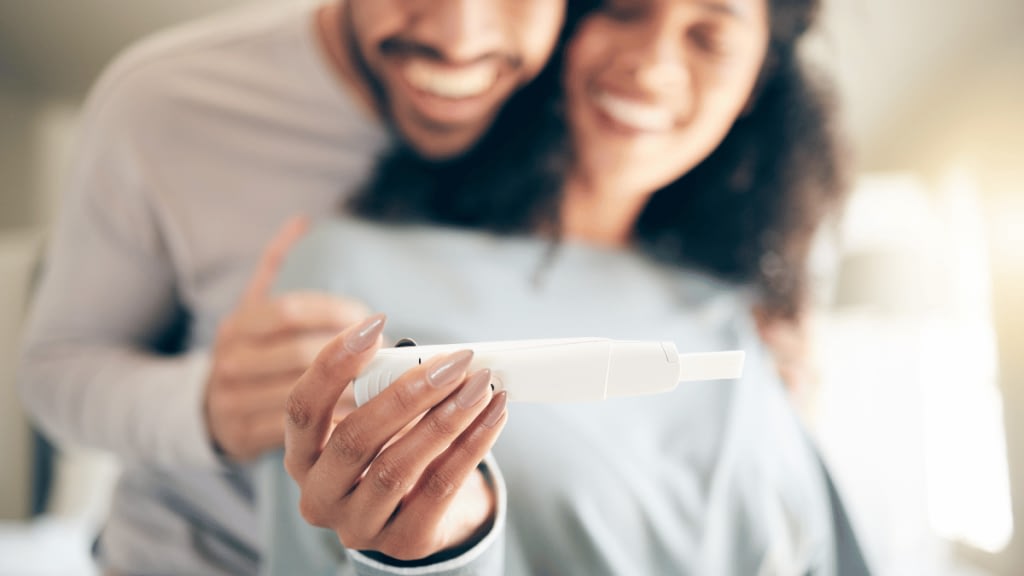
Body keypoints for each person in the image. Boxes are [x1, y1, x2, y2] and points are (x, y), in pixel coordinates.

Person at [262, 0, 858, 574]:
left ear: (757, 80)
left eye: (710, 37)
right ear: (561, 26)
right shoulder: (346, 272)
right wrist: (444, 550)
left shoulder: (742, 315)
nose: (651, 66)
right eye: (623, 9)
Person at [16, 0, 575, 573]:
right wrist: (208, 407)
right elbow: (54, 371)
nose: (459, 39)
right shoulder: (166, 103)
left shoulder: (600, 101)